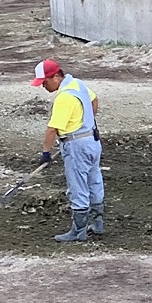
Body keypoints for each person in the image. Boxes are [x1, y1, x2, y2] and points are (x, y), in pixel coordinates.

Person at [33, 58, 104, 243]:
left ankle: (78, 231)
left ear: (56, 76)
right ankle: (98, 223)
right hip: (92, 140)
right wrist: (87, 122)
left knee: (78, 186)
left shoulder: (64, 97)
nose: (43, 86)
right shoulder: (77, 84)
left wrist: (46, 153)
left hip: (76, 145)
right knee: (94, 180)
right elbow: (94, 100)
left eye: (45, 82)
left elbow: (52, 129)